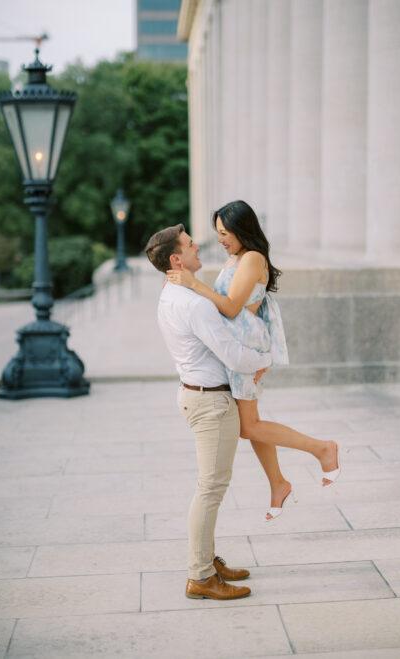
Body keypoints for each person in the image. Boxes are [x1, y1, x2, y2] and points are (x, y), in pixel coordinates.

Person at [166, 200, 345, 521]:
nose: (220, 239)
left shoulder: (252, 258)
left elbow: (232, 307)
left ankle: (322, 449)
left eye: (224, 233)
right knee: (252, 424)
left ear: (240, 229)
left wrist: (194, 284)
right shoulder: (236, 258)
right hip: (238, 348)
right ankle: (278, 483)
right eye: (217, 233)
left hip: (244, 348)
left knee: (249, 426)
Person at [145, 223, 272, 601]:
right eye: (188, 243)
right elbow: (231, 352)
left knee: (210, 487)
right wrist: (264, 359)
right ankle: (200, 576)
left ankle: (206, 560)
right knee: (210, 489)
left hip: (198, 394)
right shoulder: (194, 303)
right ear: (176, 258)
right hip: (210, 402)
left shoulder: (172, 293)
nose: (197, 244)